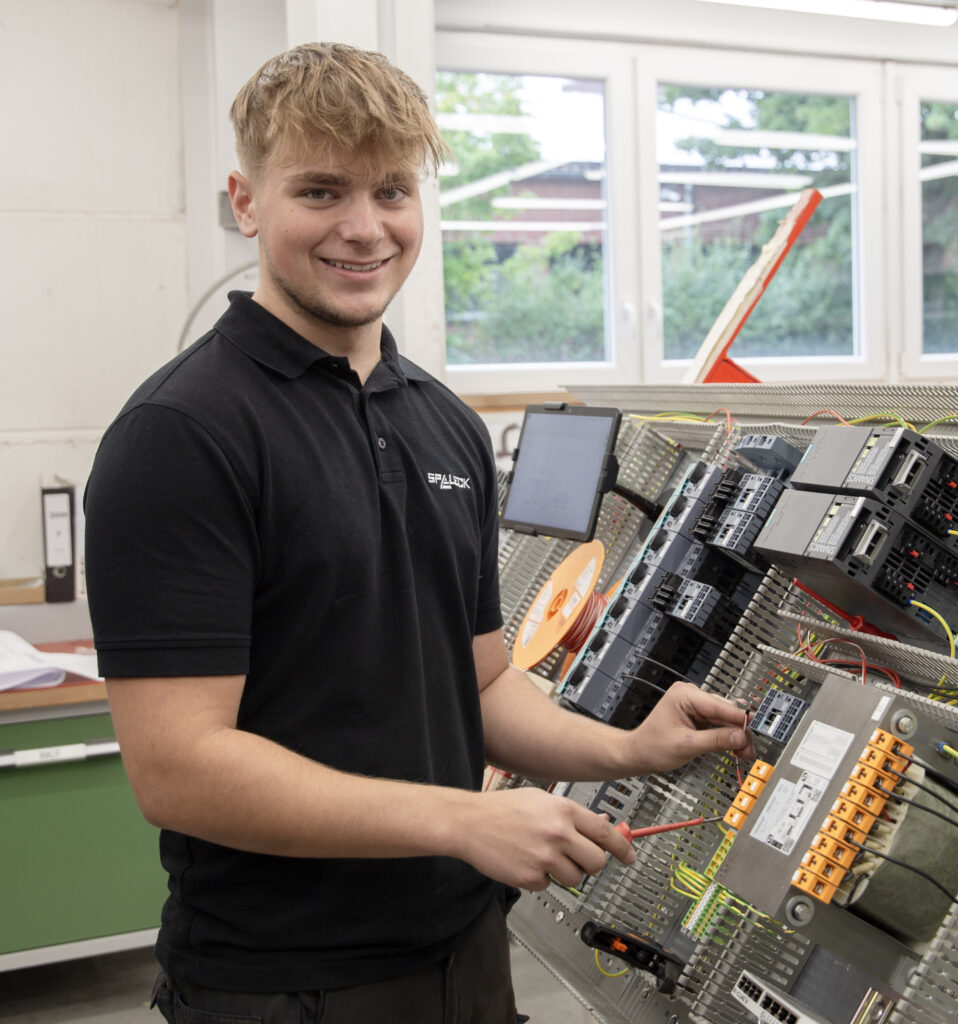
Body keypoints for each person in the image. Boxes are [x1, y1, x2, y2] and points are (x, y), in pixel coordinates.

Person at [84, 41, 754, 1024]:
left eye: (392, 191)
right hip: (283, 983)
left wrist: (624, 748)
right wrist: (465, 818)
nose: (364, 229)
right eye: (320, 192)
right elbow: (178, 766)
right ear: (246, 200)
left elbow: (476, 682)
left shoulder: (444, 423)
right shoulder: (185, 435)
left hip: (464, 955)